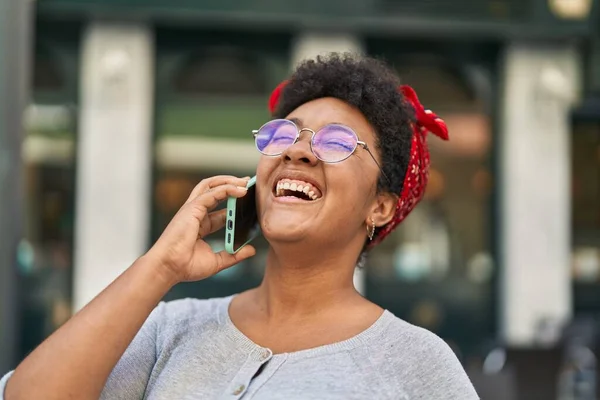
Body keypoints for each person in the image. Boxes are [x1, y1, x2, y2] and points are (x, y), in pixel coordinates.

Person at [1, 53, 479, 400]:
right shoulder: (172, 328)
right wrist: (160, 266)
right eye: (283, 134)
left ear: (379, 206)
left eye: (336, 142)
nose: (296, 150)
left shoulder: (417, 365)